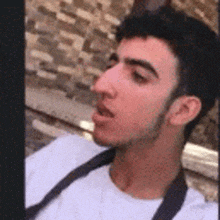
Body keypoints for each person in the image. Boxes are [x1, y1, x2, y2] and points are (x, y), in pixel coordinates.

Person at [25, 6, 219, 220]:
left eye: (138, 76)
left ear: (182, 110)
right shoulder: (62, 156)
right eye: (111, 65)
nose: (100, 85)